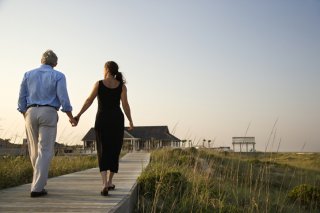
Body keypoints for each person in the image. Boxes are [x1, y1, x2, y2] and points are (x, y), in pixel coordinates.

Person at [17, 50, 77, 197]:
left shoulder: (28, 74)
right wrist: (71, 117)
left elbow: (21, 97)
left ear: (42, 61)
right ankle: (37, 187)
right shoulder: (58, 76)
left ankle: (39, 183)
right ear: (55, 63)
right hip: (49, 112)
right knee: (45, 150)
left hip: (30, 112)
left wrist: (25, 112)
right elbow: (64, 99)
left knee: (34, 149)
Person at [74, 61, 133, 196]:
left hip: (102, 119)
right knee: (114, 149)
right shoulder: (122, 86)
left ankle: (104, 183)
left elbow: (89, 100)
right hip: (117, 120)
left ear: (106, 69)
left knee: (102, 149)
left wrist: (78, 115)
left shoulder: (99, 84)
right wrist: (130, 120)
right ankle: (110, 182)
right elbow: (125, 105)